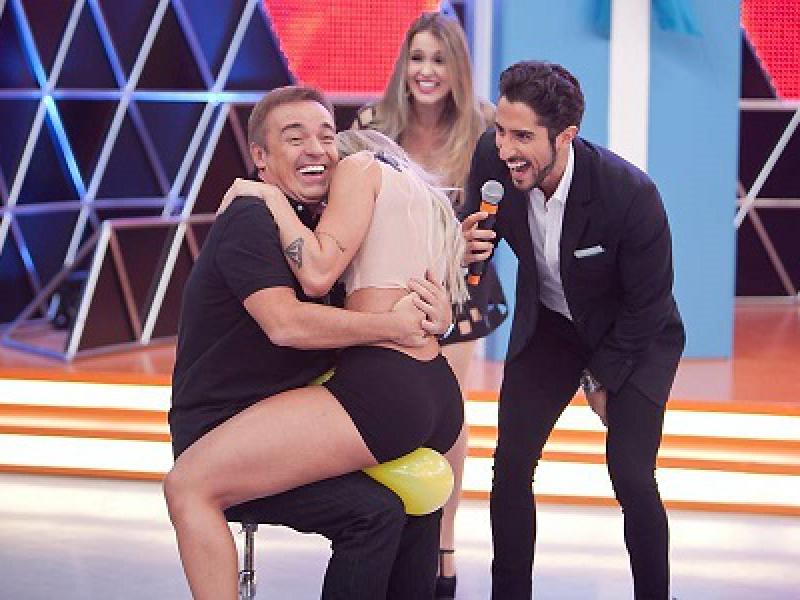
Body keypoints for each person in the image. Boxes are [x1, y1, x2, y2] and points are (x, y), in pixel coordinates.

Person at [164, 86, 468, 599]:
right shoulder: (252, 217)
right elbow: (287, 325)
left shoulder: (317, 226)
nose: (317, 148)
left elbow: (367, 298)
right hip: (224, 423)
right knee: (373, 510)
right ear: (260, 157)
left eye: (327, 136)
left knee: (382, 511)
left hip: (312, 414)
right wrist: (395, 327)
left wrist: (432, 319)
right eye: (295, 137)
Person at [463, 61, 686, 599]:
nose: (506, 148)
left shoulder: (628, 193)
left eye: (522, 137)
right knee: (511, 466)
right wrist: (463, 247)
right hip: (552, 326)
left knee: (631, 475)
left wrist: (601, 377)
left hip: (633, 334)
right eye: (501, 130)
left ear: (565, 136)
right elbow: (477, 241)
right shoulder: (492, 160)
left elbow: (649, 302)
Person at [352, 13, 505, 596]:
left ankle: (443, 541)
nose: (427, 71)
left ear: (457, 68)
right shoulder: (372, 124)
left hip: (460, 289)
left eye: (439, 60)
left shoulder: (484, 128)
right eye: (417, 58)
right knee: (390, 407)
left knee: (445, 415)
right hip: (384, 290)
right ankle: (387, 533)